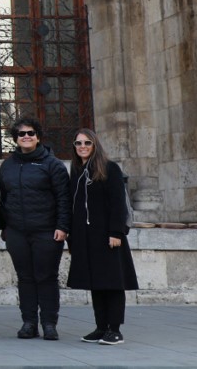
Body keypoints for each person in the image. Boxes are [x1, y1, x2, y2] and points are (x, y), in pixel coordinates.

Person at [0, 117, 70, 341]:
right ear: (15, 139)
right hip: (17, 231)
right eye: (21, 134)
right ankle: (28, 323)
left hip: (47, 231)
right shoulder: (8, 165)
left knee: (46, 277)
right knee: (25, 278)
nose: (26, 136)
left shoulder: (52, 164)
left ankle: (49, 323)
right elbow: (0, 198)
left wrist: (62, 226)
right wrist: (4, 226)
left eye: (30, 133)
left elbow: (63, 199)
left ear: (38, 136)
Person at [67, 128, 138, 345]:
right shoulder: (77, 171)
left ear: (95, 145)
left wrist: (116, 232)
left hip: (108, 237)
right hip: (86, 238)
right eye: (78, 144)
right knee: (96, 283)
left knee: (113, 283)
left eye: (87, 143)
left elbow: (118, 203)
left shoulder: (110, 168)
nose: (82, 147)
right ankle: (101, 327)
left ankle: (114, 329)